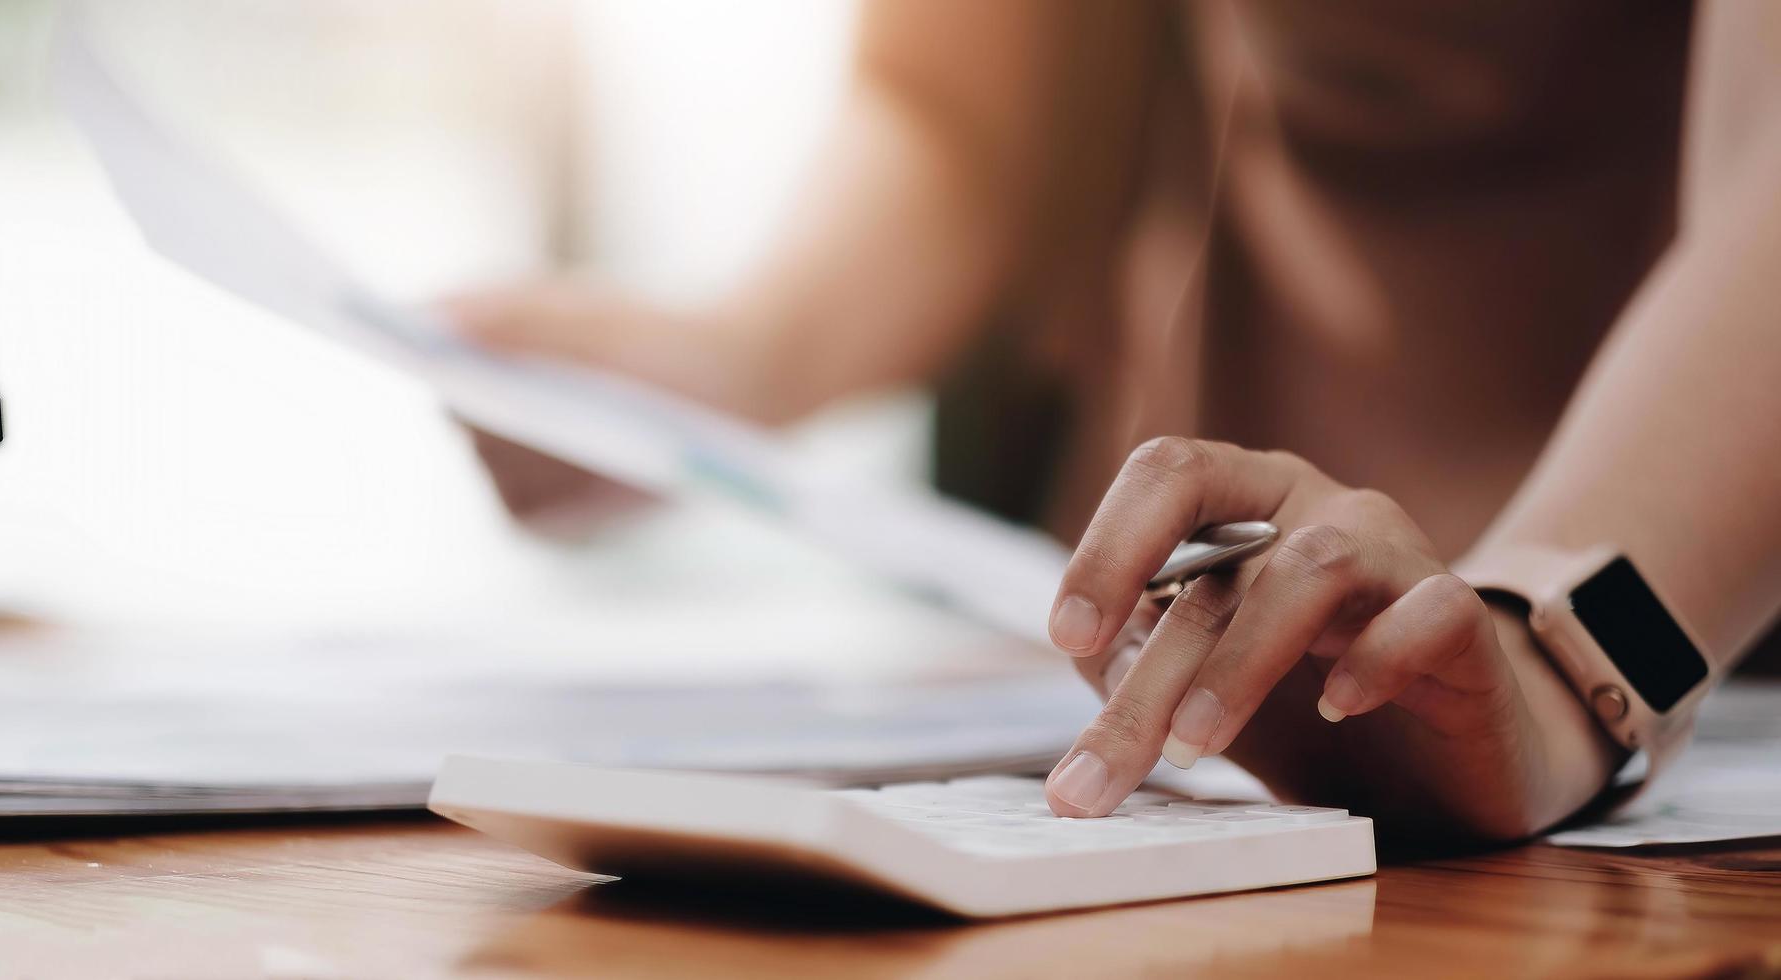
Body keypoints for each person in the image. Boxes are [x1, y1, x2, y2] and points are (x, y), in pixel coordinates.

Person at [443, 1, 1781, 840]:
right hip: (1175, 654)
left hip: (1692, 605)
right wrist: (736, 362)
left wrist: (1563, 653)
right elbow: (963, 113)